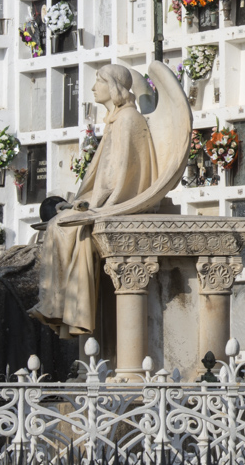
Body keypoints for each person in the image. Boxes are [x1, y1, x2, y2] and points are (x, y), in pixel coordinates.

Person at [31, 65, 157, 336]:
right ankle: (56, 306)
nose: (92, 88)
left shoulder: (128, 120)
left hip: (122, 201)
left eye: (98, 81)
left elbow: (122, 176)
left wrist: (90, 206)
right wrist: (82, 201)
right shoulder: (116, 120)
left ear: (113, 86)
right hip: (105, 200)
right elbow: (106, 177)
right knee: (59, 222)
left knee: (66, 226)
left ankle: (67, 310)